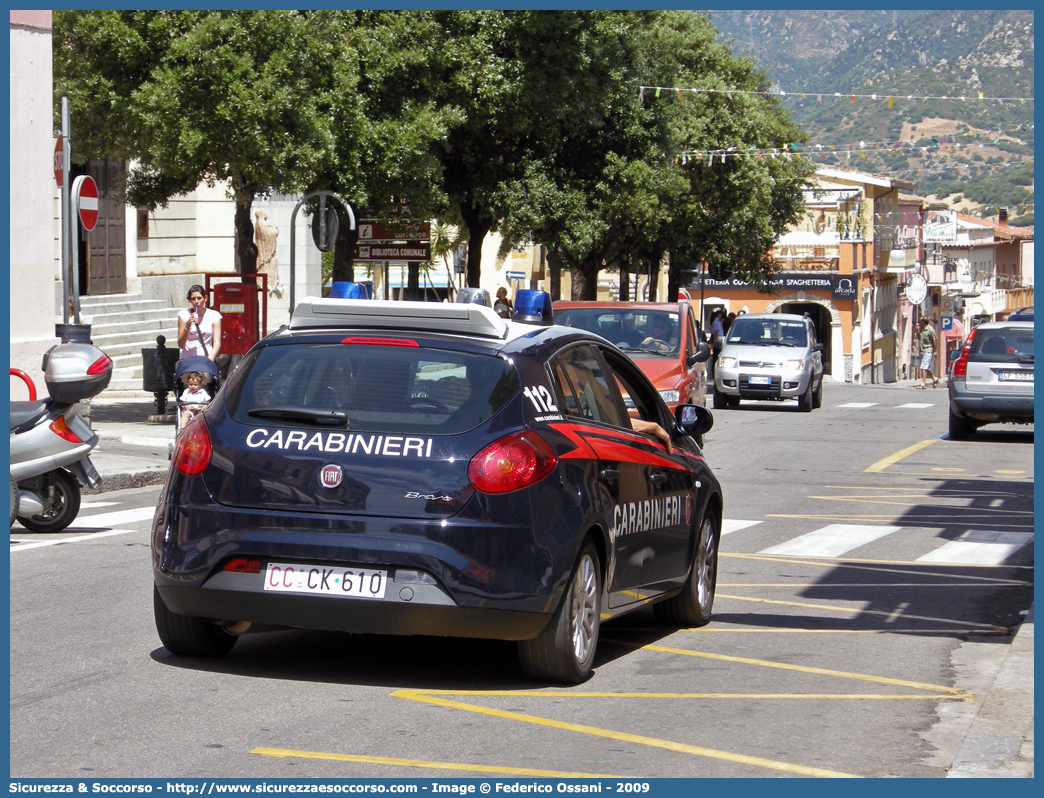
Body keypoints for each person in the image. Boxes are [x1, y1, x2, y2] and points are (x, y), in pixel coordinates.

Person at [177, 284, 222, 360]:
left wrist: (210, 358)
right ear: (190, 300)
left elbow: (217, 342)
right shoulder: (183, 315)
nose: (196, 301)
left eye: (199, 298)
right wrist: (187, 327)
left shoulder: (214, 315)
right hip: (187, 359)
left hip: (206, 358)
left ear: (205, 298)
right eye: (193, 299)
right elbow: (181, 345)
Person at [916, 316, 939, 389]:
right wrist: (917, 332)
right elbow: (919, 338)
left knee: (924, 367)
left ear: (923, 322)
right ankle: (935, 378)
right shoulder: (922, 329)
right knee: (925, 367)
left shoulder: (930, 330)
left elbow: (935, 341)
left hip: (928, 350)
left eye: (919, 322)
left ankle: (922, 384)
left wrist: (935, 351)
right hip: (922, 350)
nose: (919, 324)